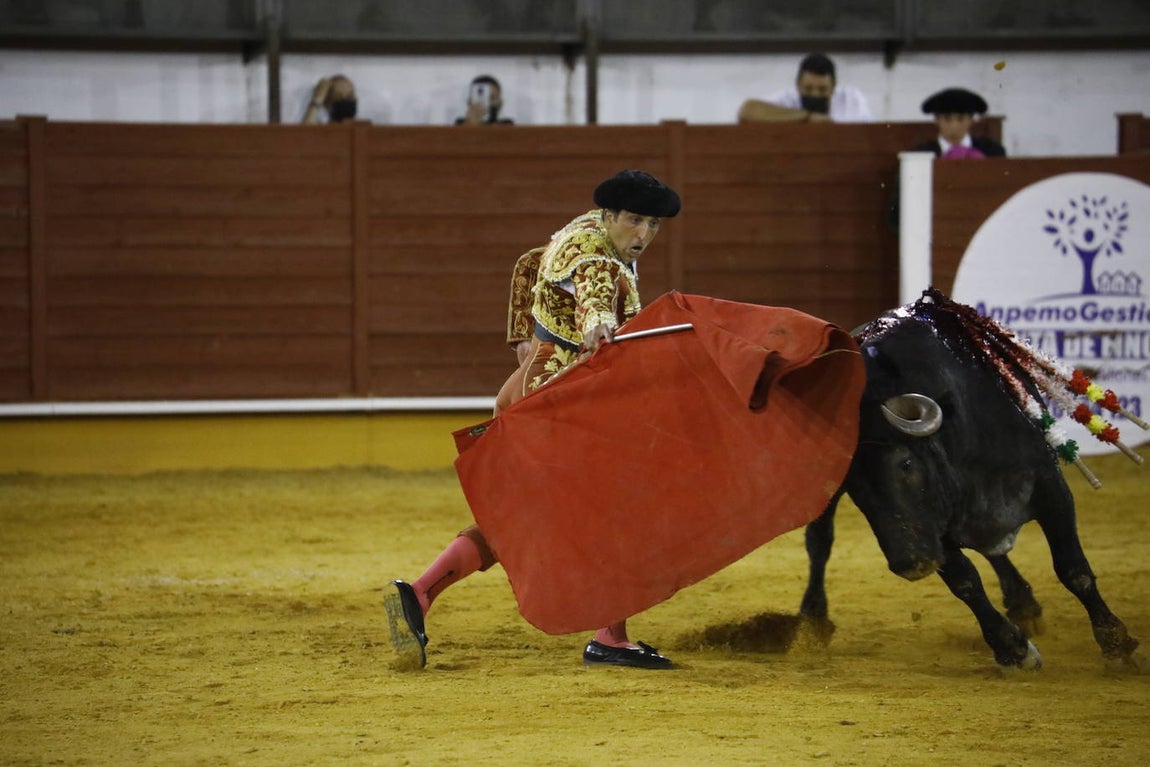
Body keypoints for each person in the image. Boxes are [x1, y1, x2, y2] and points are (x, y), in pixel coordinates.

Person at [385, 170, 681, 670]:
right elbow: (593, 297)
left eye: (652, 224)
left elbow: (528, 264)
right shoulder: (597, 258)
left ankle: (419, 593)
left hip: (532, 387)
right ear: (610, 216)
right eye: (634, 221)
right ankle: (611, 636)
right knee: (623, 506)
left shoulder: (584, 227)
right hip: (559, 403)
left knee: (522, 517)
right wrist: (597, 325)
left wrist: (524, 333)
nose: (644, 234)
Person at [738, 52, 873, 124]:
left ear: (833, 87)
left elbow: (868, 137)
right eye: (808, 89)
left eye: (822, 89)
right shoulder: (788, 99)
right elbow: (747, 111)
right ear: (798, 85)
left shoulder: (851, 99)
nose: (814, 94)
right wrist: (807, 118)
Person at [915, 87, 1006, 158]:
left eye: (961, 119)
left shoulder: (992, 151)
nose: (954, 125)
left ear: (971, 120)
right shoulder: (920, 154)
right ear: (936, 119)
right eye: (947, 119)